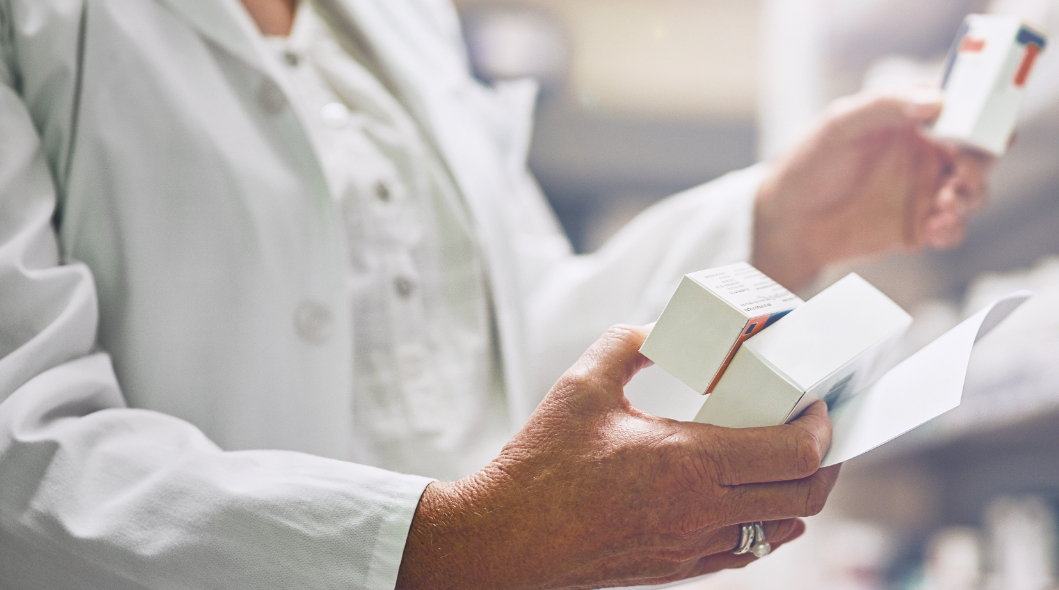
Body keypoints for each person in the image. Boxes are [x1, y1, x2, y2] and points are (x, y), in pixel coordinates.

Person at [0, 0, 990, 588]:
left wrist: (781, 220)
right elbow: (23, 448)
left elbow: (517, 330)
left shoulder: (404, 19)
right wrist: (448, 545)